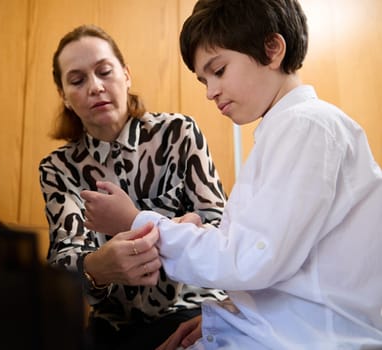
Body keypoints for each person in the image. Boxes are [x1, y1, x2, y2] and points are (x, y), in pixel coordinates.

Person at [81, 1, 382, 349]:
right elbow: (275, 260)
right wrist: (225, 311)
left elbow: (250, 259)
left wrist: (137, 221)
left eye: (219, 70)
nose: (210, 92)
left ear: (272, 50)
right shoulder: (288, 131)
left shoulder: (308, 127)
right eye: (203, 80)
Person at [39, 24, 227, 350]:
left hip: (192, 310)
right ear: (64, 96)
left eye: (104, 71)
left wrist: (170, 229)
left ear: (126, 75)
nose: (95, 87)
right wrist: (97, 267)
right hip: (114, 326)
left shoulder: (178, 134)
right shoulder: (58, 169)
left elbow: (221, 225)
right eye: (77, 80)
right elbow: (62, 265)